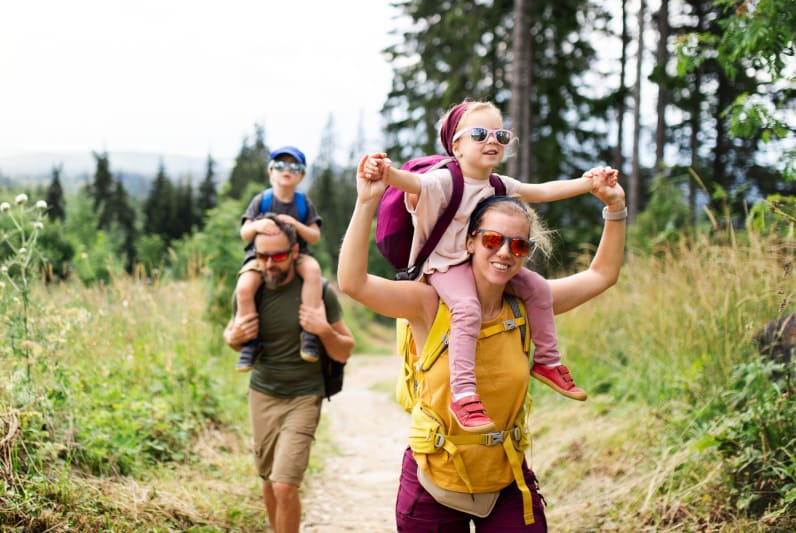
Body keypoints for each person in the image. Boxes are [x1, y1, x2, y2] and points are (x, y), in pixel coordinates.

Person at [338, 154, 626, 531]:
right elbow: (352, 283)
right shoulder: (429, 303)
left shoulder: (528, 306)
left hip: (507, 480)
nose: (505, 252)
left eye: (519, 246)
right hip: (433, 482)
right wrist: (366, 201)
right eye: (492, 240)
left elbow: (602, 274)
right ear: (470, 242)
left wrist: (616, 208)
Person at [363, 100, 618, 432]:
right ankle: (464, 393)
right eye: (480, 134)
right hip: (444, 268)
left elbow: (540, 192)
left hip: (476, 263)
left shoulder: (497, 185)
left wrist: (589, 184)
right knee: (467, 308)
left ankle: (547, 362)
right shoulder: (444, 180)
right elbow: (412, 184)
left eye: (501, 134)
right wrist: (384, 173)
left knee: (538, 287)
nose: (492, 140)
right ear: (456, 145)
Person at [224, 214, 355, 533]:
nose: (269, 264)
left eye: (278, 256)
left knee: (284, 485)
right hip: (262, 395)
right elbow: (232, 337)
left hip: (303, 398)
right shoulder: (250, 290)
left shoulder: (320, 292)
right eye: (262, 256)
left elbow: (345, 349)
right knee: (268, 482)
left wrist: (323, 331)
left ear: (295, 252)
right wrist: (233, 337)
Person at [235, 145, 325, 371]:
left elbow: (314, 236)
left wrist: (295, 225)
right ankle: (250, 341)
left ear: (302, 175)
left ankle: (309, 333)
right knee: (245, 288)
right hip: (262, 256)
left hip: (298, 253)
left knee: (313, 272)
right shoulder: (261, 201)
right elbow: (244, 233)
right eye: (280, 165)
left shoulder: (303, 203)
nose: (287, 170)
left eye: (294, 167)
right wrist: (257, 224)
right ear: (270, 172)